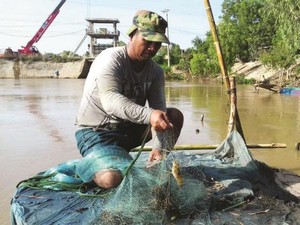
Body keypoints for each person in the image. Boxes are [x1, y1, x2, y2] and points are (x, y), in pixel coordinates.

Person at [75, 10, 184, 189]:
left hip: (128, 131)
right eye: (147, 41)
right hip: (96, 133)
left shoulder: (156, 72)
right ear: (132, 34)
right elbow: (110, 101)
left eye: (157, 44)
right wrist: (150, 115)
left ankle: (155, 161)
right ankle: (91, 164)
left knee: (174, 116)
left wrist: (158, 147)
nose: (152, 48)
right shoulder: (110, 60)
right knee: (112, 179)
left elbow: (159, 110)